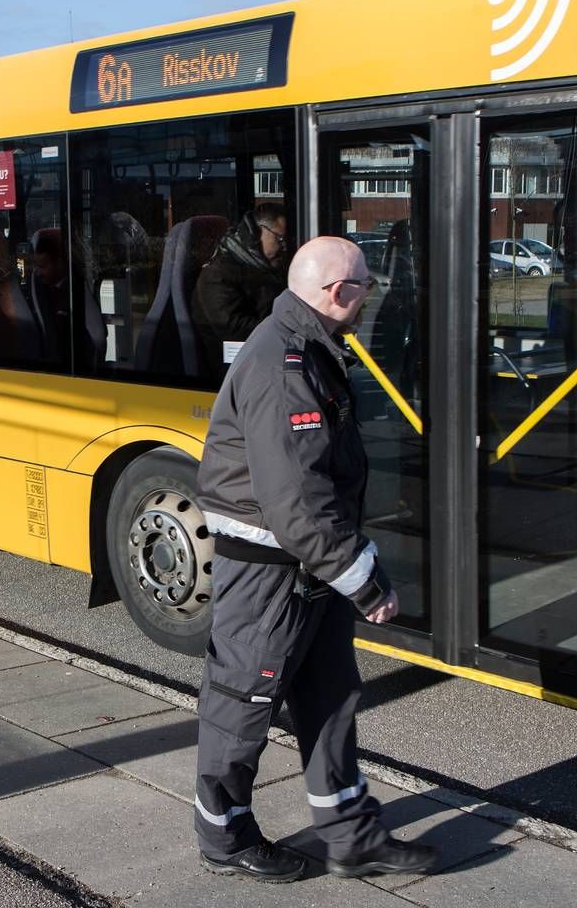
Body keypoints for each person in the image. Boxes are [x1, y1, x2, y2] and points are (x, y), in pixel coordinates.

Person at [189, 237, 438, 883]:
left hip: (307, 573)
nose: (368, 299)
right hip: (272, 576)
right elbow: (295, 500)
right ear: (339, 293)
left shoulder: (308, 350)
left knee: (329, 700)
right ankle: (224, 839)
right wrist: (363, 580)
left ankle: (353, 835)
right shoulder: (284, 363)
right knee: (242, 704)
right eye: (364, 286)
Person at [192, 203, 289, 371]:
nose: (284, 246)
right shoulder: (217, 275)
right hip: (236, 369)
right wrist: (288, 329)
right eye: (279, 239)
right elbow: (234, 330)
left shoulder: (265, 267)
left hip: (266, 354)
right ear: (257, 232)